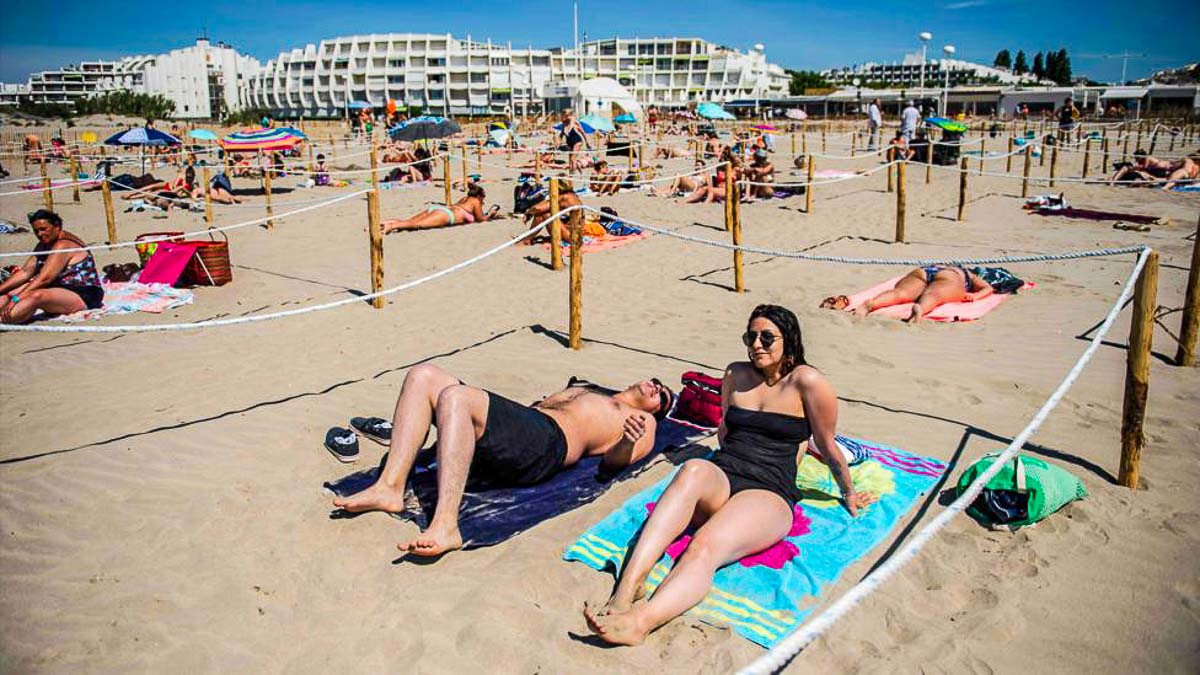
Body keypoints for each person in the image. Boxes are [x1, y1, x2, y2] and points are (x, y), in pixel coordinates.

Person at [582, 304, 877, 645]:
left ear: (790, 340)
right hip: (725, 472)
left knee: (704, 544)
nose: (757, 345)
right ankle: (626, 589)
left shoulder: (808, 382)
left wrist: (849, 492)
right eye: (750, 337)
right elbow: (724, 430)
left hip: (768, 490)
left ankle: (640, 623)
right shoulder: (735, 375)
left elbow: (826, 445)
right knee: (692, 468)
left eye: (768, 337)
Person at [331, 364, 675, 556]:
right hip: (522, 434)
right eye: (657, 382)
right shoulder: (589, 389)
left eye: (662, 396)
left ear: (657, 412)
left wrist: (626, 444)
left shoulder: (639, 423)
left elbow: (614, 464)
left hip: (546, 445)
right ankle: (390, 487)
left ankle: (446, 524)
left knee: (456, 397)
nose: (655, 388)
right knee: (422, 377)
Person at [0, 210, 104, 324]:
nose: (40, 234)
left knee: (36, 296)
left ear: (57, 227)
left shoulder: (64, 244)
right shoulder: (44, 244)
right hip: (57, 288)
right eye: (36, 231)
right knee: (9, 293)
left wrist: (17, 299)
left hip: (82, 293)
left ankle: (4, 320)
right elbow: (26, 272)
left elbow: (45, 279)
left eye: (44, 229)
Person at [853, 265, 994, 323]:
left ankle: (871, 303)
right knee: (934, 295)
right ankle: (920, 308)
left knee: (900, 293)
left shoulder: (951, 265)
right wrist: (975, 296)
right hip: (950, 276)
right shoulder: (970, 275)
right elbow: (987, 288)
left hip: (924, 270)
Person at [381, 183, 499, 233]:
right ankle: (390, 226)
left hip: (440, 210)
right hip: (446, 215)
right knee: (418, 225)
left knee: (410, 222)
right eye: (483, 198)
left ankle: (383, 223)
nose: (483, 200)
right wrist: (490, 215)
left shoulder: (465, 199)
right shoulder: (475, 201)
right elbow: (481, 219)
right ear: (479, 196)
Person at [559, 109, 590, 175]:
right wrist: (558, 143)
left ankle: (573, 174)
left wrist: (587, 142)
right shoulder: (563, 124)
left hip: (577, 141)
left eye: (567, 115)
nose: (566, 116)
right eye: (564, 115)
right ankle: (577, 172)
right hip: (569, 142)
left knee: (573, 158)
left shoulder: (574, 122)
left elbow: (583, 132)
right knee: (571, 159)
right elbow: (561, 135)